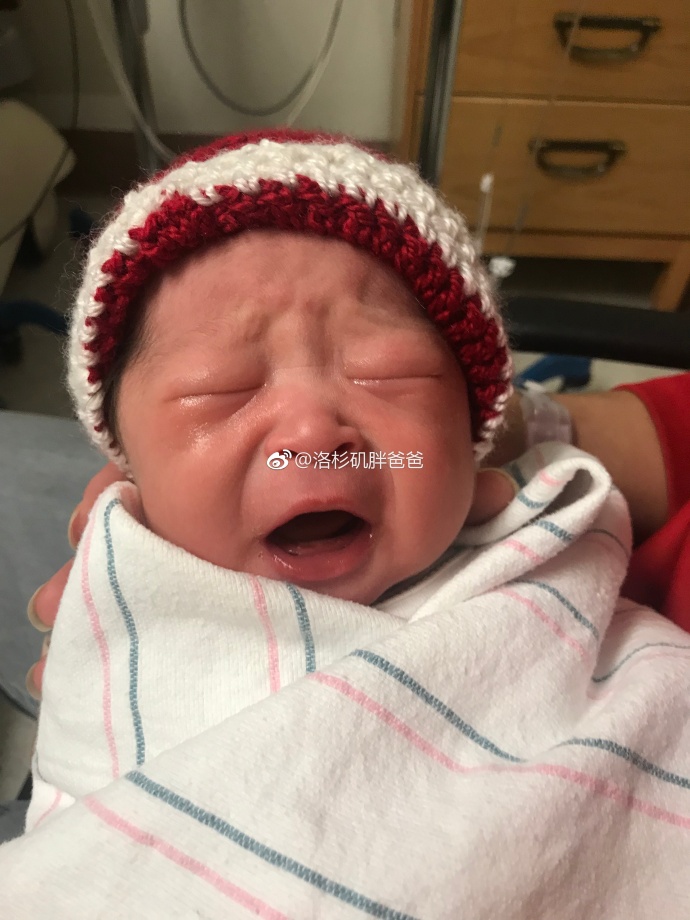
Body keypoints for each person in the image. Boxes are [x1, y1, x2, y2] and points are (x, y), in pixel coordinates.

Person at [2, 130, 690, 917]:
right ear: (130, 464)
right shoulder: (134, 589)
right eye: (219, 390)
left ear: (472, 432)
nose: (311, 433)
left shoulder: (550, 555)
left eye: (388, 374)